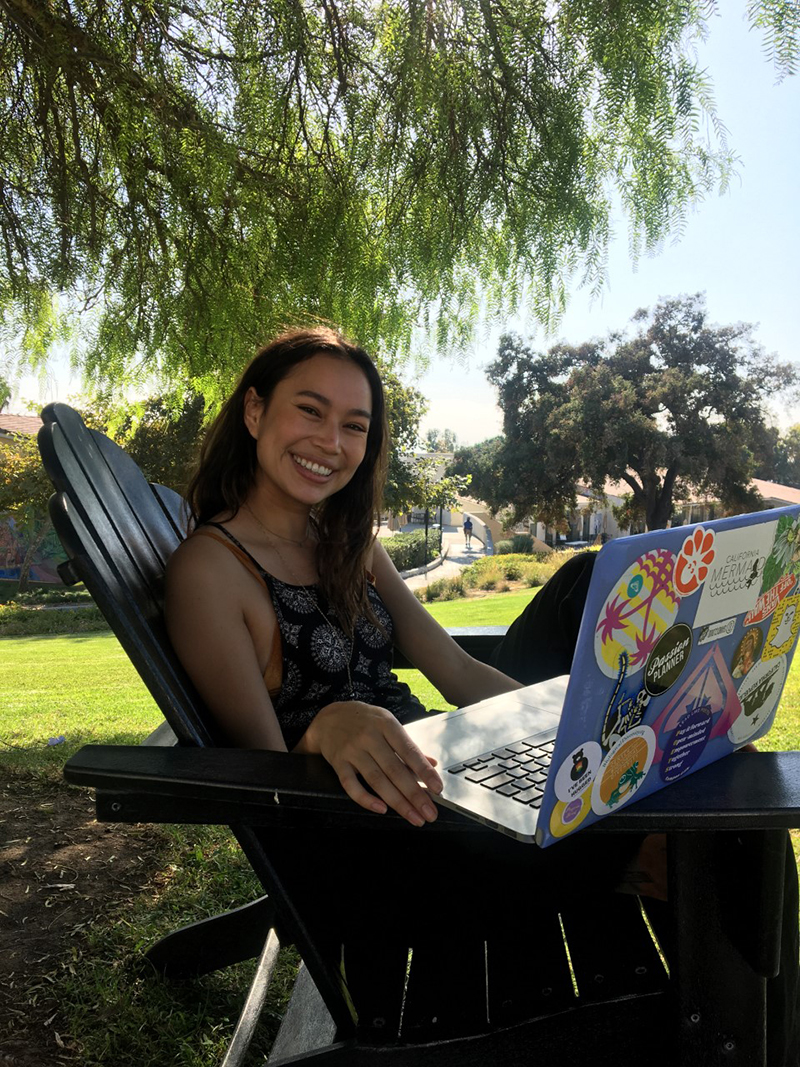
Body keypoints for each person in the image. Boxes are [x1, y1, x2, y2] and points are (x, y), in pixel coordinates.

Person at [165, 328, 798, 1062]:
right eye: (309, 411)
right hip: (385, 844)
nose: (331, 441)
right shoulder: (211, 573)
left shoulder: (346, 542)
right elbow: (264, 781)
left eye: (355, 426)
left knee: (584, 583)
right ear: (254, 412)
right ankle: (756, 1039)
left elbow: (457, 672)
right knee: (728, 836)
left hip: (451, 785)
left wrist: (569, 730)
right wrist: (323, 728)